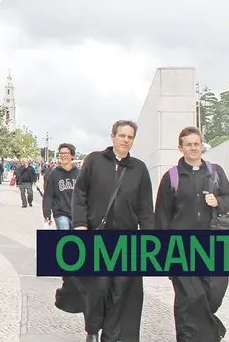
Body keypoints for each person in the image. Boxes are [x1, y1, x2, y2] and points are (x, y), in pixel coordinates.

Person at [66, 120, 155, 342]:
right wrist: (80, 226)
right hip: (97, 235)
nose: (126, 140)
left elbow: (145, 207)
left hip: (126, 239)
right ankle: (93, 328)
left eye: (130, 137)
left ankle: (112, 335)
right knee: (97, 288)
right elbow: (80, 194)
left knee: (122, 290)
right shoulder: (95, 160)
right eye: (122, 135)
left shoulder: (139, 168)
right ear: (112, 136)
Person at [155, 126, 229, 341]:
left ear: (202, 145)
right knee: (187, 298)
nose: (193, 148)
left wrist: (218, 202)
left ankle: (210, 328)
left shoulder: (215, 171)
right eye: (188, 144)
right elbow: (161, 216)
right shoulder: (171, 177)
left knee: (214, 293)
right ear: (180, 148)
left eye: (196, 144)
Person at [42, 143, 79, 229]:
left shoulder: (79, 173)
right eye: (61, 153)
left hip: (77, 213)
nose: (63, 156)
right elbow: (48, 195)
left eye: (66, 153)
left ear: (72, 156)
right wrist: (47, 213)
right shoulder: (54, 173)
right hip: (60, 212)